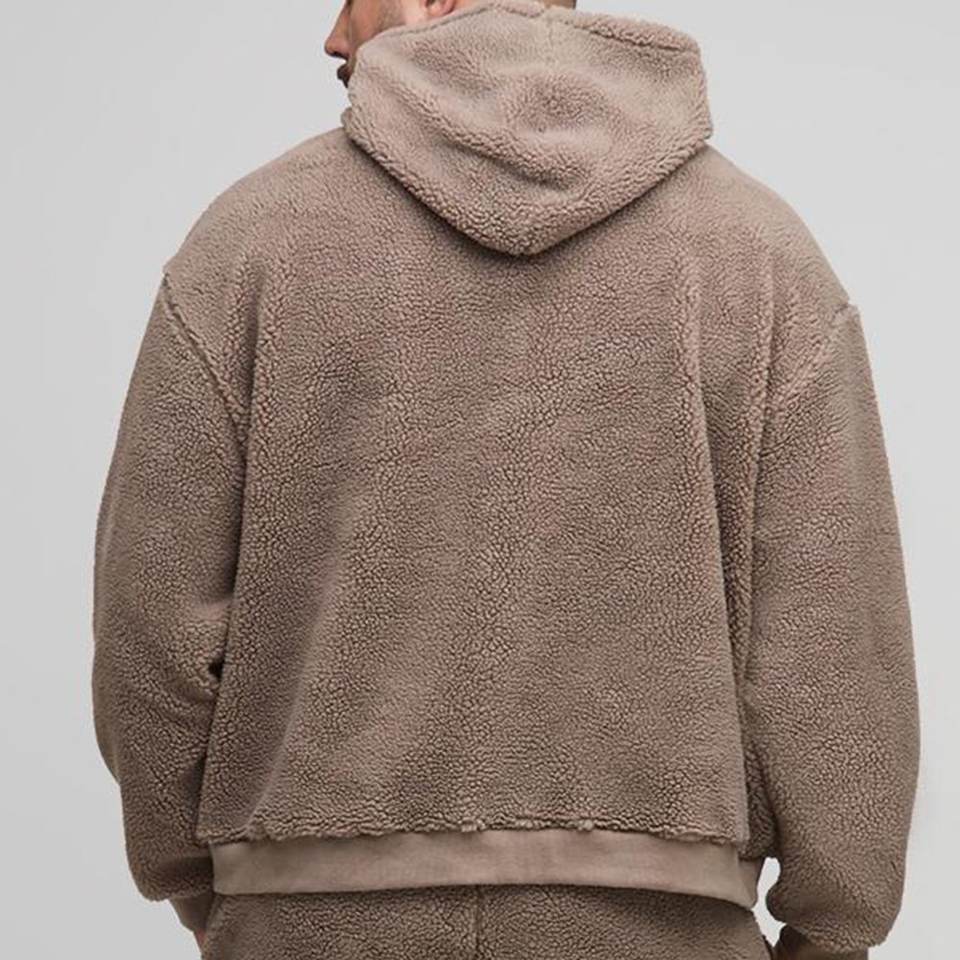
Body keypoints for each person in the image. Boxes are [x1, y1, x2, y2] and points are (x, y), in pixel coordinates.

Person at [90, 0, 920, 958]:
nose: (332, 34)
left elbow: (150, 624)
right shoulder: (757, 253)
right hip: (661, 930)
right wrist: (834, 927)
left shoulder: (251, 243)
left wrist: (218, 887)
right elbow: (835, 651)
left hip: (306, 922)